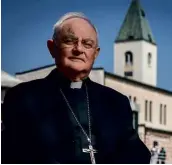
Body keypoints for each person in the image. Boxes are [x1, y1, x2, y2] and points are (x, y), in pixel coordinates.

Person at [1, 12, 151, 164]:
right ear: (52, 48)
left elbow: (137, 155)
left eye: (87, 44)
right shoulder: (23, 97)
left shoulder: (116, 102)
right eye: (69, 41)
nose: (78, 49)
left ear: (95, 53)